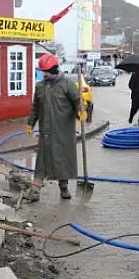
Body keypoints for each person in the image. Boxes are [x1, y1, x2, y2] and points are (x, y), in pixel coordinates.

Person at [26, 53, 86, 201]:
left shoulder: (67, 84)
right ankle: (35, 191)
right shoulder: (40, 87)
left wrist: (81, 111)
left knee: (62, 160)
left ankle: (64, 188)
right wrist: (30, 123)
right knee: (42, 161)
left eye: (45, 71)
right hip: (46, 131)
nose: (44, 74)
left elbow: (77, 100)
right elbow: (35, 108)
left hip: (63, 131)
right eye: (42, 71)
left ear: (53, 69)